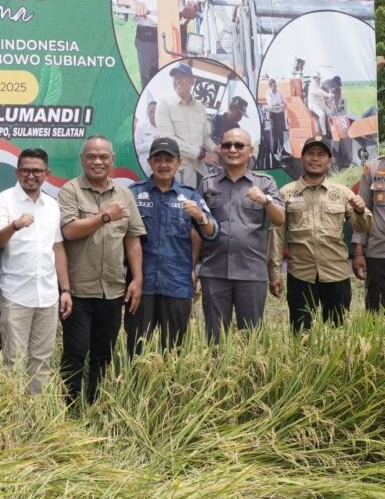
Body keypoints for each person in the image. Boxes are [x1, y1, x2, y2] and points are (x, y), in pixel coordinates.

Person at [57, 135, 145, 404]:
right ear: (82, 159)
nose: (98, 161)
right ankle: (69, 407)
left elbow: (132, 239)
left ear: (112, 161)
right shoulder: (70, 191)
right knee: (75, 351)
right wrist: (105, 216)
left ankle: (94, 405)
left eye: (103, 157)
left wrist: (137, 279)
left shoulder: (124, 194)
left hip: (113, 289)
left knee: (103, 354)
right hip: (79, 291)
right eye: (92, 156)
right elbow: (69, 231)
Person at [0, 149, 71, 393]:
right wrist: (14, 226)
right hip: (15, 294)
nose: (30, 176)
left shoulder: (52, 206)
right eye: (25, 170)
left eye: (37, 171)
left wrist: (65, 289)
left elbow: (57, 248)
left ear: (47, 174)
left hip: (47, 295)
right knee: (13, 361)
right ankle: (13, 420)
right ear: (17, 172)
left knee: (43, 362)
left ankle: (38, 419)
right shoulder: (4, 200)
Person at [268, 136, 371, 332]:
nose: (315, 159)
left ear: (329, 161)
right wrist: (274, 274)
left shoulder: (343, 193)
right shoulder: (286, 193)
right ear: (302, 158)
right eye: (310, 154)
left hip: (336, 274)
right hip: (300, 275)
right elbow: (277, 236)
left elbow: (362, 226)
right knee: (300, 334)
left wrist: (360, 210)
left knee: (337, 332)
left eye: (321, 154)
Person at [126, 138, 218, 357]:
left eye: (169, 159)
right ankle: (136, 390)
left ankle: (168, 392)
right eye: (158, 159)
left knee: (174, 352)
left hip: (177, 285)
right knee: (136, 352)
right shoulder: (134, 194)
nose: (163, 164)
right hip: (141, 286)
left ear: (179, 162)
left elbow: (214, 233)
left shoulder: (190, 196)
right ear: (149, 162)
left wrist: (200, 217)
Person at [197, 129, 284, 343]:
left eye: (239, 145)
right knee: (215, 339)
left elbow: (279, 219)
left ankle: (250, 377)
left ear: (250, 150)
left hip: (251, 273)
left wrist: (266, 201)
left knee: (251, 339)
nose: (232, 150)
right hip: (214, 272)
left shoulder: (264, 183)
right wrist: (194, 269)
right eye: (227, 145)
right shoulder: (207, 184)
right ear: (219, 149)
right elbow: (197, 231)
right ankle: (216, 376)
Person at [155, 63, 219, 187]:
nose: (177, 81)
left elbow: (205, 137)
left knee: (201, 205)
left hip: (200, 170)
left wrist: (215, 148)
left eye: (181, 77)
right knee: (181, 205)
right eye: (175, 78)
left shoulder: (200, 107)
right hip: (178, 171)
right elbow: (168, 140)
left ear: (192, 81)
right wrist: (200, 154)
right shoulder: (164, 104)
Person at [351, 156, 385, 312]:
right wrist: (358, 252)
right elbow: (363, 212)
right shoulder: (372, 167)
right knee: (376, 311)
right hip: (378, 254)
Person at [265, 79, 286, 156]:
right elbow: (271, 103)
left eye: (276, 86)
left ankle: (282, 150)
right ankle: (274, 151)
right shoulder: (268, 93)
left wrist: (280, 104)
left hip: (280, 113)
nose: (275, 87)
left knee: (281, 133)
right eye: (274, 86)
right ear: (270, 86)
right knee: (275, 133)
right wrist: (279, 104)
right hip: (273, 114)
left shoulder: (279, 92)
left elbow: (284, 101)